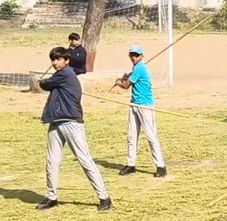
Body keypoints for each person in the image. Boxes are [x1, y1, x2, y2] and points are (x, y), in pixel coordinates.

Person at [36, 47, 111, 211]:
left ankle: (104, 197)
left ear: (66, 60)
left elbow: (46, 84)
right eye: (53, 60)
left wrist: (39, 82)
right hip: (56, 121)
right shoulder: (58, 75)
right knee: (52, 161)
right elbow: (50, 85)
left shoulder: (66, 74)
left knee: (84, 160)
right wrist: (44, 82)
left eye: (58, 59)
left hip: (71, 121)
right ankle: (52, 197)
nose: (55, 63)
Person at [113, 45, 166, 178]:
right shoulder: (136, 68)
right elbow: (131, 79)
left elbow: (126, 86)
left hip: (145, 106)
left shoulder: (140, 68)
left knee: (151, 136)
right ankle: (131, 164)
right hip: (134, 104)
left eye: (136, 55)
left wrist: (118, 81)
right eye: (131, 55)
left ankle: (161, 166)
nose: (133, 57)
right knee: (131, 136)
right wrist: (127, 76)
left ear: (141, 56)